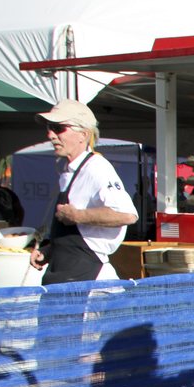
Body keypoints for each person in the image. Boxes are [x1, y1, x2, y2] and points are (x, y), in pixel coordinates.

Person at [28, 100, 137, 284]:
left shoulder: (97, 168)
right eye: (49, 127)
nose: (50, 134)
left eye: (58, 128)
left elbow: (127, 215)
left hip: (88, 277)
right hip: (62, 272)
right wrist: (49, 250)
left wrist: (78, 215)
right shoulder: (67, 170)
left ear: (83, 134)